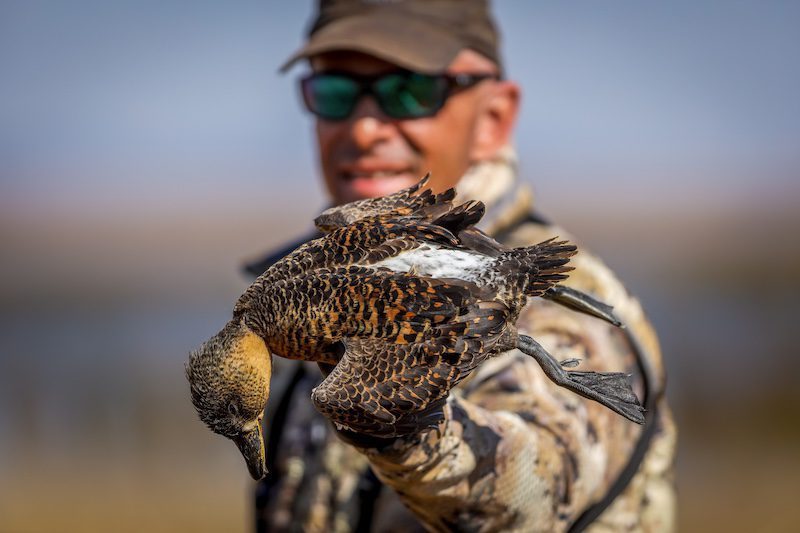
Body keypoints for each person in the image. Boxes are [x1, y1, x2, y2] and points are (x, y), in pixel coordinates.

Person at [246, 1, 676, 531]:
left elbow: (531, 495)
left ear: (494, 117)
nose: (363, 130)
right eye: (334, 92)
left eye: (409, 91)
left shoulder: (570, 315)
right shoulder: (306, 292)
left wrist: (389, 418)